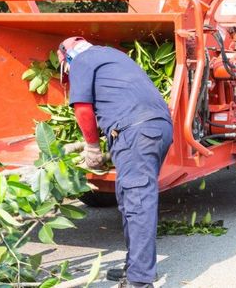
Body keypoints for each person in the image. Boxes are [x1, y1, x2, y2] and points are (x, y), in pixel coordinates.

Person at [58, 37, 173, 288]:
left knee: (137, 203)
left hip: (137, 132)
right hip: (157, 128)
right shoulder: (113, 56)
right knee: (129, 200)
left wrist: (91, 146)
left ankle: (140, 281)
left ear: (67, 56)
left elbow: (83, 108)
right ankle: (136, 268)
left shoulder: (81, 60)